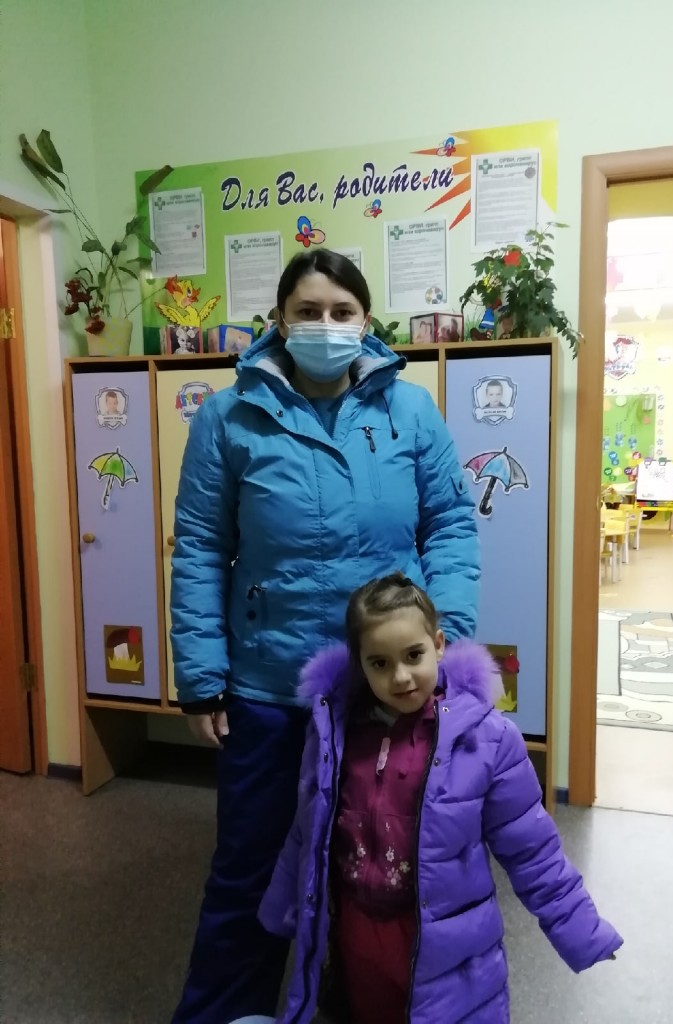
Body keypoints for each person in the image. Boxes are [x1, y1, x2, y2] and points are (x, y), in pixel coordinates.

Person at [169, 250, 480, 1024]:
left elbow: (450, 526)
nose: (325, 326)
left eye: (342, 312)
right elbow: (200, 546)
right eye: (307, 311)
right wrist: (201, 676)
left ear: (366, 322)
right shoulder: (227, 416)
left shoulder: (411, 411)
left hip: (382, 690)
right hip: (269, 686)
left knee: (375, 871)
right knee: (249, 871)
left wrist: (447, 638)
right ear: (279, 321)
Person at [260, 573, 622, 1024]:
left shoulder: (487, 740)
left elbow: (533, 850)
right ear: (360, 664)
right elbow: (307, 831)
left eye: (413, 655)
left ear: (438, 644)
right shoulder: (336, 733)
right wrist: (282, 907)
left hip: (442, 945)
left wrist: (581, 930)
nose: (400, 677)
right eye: (379, 663)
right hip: (356, 935)